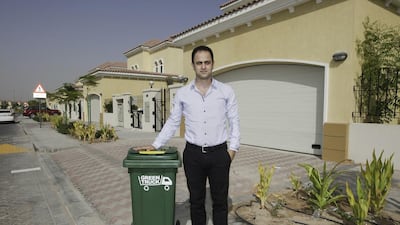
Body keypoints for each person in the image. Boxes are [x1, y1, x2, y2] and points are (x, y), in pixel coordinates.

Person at [138, 45, 240, 225]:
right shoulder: (183, 94)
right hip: (193, 155)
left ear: (212, 64)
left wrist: (232, 150)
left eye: (207, 62)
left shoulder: (226, 91)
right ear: (193, 65)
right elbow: (173, 121)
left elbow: (234, 121)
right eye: (199, 62)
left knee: (220, 203)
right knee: (196, 202)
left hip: (219, 155)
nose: (203, 66)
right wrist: (156, 145)